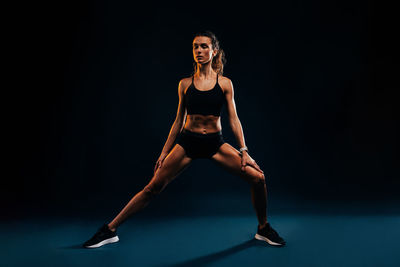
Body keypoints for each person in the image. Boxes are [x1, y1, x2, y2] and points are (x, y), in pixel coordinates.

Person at [83, 30, 286, 248]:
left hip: (215, 144)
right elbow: (178, 121)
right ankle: (109, 230)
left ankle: (263, 228)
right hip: (188, 143)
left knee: (258, 178)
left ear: (214, 51)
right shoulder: (185, 84)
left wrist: (244, 150)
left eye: (204, 46)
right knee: (152, 188)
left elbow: (234, 120)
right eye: (196, 47)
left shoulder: (225, 83)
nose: (199, 50)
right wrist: (164, 153)